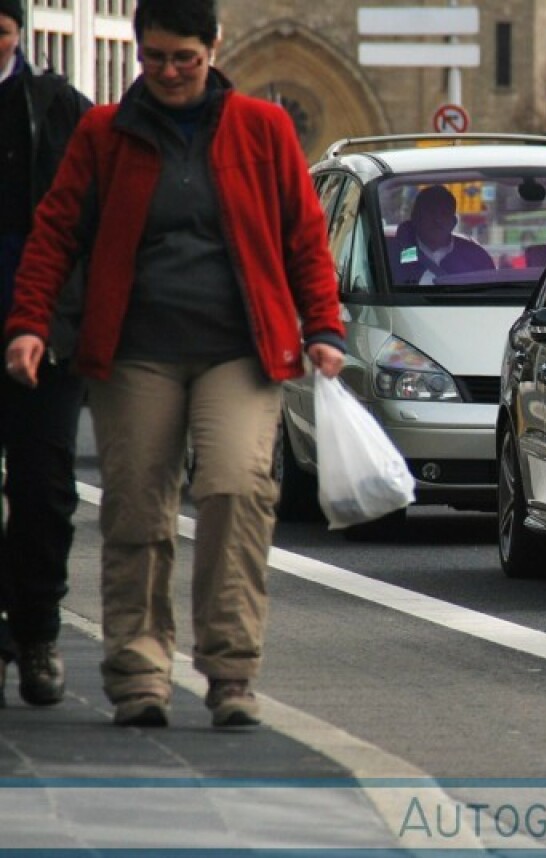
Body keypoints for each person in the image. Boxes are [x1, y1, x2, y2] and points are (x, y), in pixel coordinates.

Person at [4, 0, 346, 729]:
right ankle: (139, 674)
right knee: (136, 507)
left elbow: (304, 237)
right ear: (138, 52)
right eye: (154, 57)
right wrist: (30, 325)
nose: (168, 72)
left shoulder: (264, 128)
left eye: (183, 58)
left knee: (232, 489)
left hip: (240, 351)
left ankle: (230, 673)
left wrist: (324, 327)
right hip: (134, 354)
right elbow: (54, 234)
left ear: (213, 48)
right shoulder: (105, 134)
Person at [0, 0, 92, 709]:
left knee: (45, 494)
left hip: (46, 337)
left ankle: (36, 632)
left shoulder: (61, 110)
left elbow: (89, 227)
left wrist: (67, 324)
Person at [393, 184, 494, 284]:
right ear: (415, 217)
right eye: (431, 213)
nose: (437, 220)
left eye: (444, 213)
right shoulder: (392, 255)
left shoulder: (476, 257)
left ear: (453, 222)